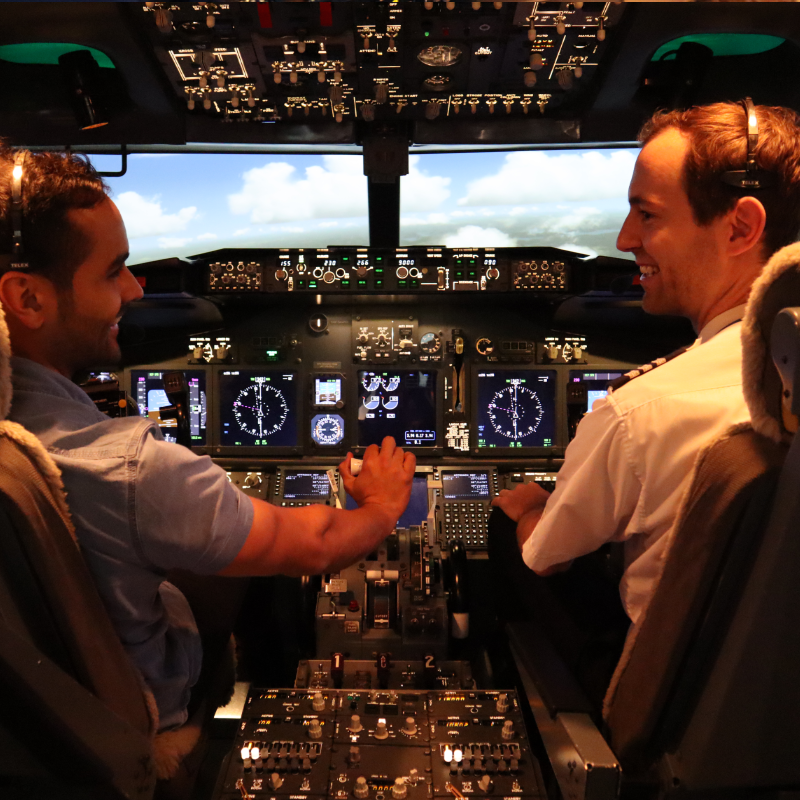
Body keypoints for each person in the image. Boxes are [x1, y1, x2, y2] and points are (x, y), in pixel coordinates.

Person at [0, 146, 416, 732]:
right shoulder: (132, 471)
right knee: (260, 573)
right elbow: (317, 543)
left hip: (36, 721)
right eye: (114, 270)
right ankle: (258, 701)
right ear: (27, 298)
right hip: (133, 717)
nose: (135, 291)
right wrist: (381, 507)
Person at [493, 101, 800, 626]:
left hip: (669, 669)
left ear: (739, 227)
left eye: (648, 214)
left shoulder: (642, 412)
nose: (624, 239)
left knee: (511, 534)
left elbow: (546, 554)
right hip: (763, 657)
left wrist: (529, 509)